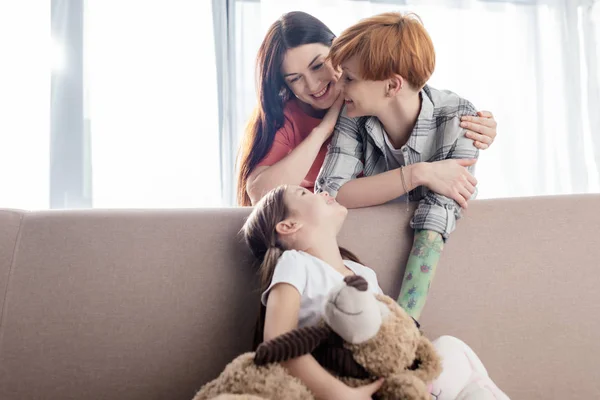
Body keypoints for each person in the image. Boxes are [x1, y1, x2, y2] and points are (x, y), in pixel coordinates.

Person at [315, 12, 484, 319]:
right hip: (371, 259)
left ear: (392, 86)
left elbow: (438, 214)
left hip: (448, 270)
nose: (339, 88)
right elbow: (331, 193)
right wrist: (420, 173)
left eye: (349, 78)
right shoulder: (353, 115)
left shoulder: (459, 119)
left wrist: (405, 325)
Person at [236, 11, 498, 208]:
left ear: (337, 51)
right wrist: (323, 129)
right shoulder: (289, 117)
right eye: (294, 78)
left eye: (318, 66)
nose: (314, 84)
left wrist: (473, 123)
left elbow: (411, 92)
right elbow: (262, 194)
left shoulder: (371, 99)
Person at [242, 185, 386, 399]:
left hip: (378, 379)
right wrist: (340, 394)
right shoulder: (295, 263)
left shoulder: (364, 273)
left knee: (451, 349)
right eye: (304, 193)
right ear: (289, 225)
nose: (324, 192)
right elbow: (278, 341)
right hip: (332, 386)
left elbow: (393, 330)